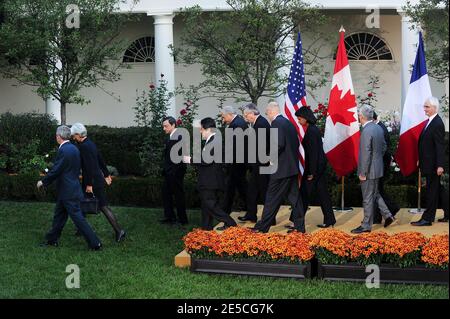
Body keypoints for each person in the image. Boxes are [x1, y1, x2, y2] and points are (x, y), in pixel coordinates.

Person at [37, 125, 102, 250]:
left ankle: (95, 244)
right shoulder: (74, 148)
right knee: (59, 216)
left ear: (58, 136)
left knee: (78, 218)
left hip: (68, 191)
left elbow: (56, 170)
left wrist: (43, 182)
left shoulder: (64, 150)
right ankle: (52, 240)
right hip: (70, 189)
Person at [251, 102, 305, 233]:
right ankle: (300, 228)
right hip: (291, 167)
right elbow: (295, 143)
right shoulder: (288, 123)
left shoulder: (276, 123)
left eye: (267, 113)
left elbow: (279, 144)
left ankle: (262, 227)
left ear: (270, 112)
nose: (267, 116)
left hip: (280, 169)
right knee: (295, 199)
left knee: (271, 198)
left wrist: (269, 158)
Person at [71, 123, 126, 242]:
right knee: (81, 202)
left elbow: (89, 166)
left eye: (73, 135)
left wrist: (89, 185)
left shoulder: (84, 146)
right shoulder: (89, 143)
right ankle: (81, 229)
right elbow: (100, 158)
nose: (73, 138)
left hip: (93, 182)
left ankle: (119, 231)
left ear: (78, 134)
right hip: (95, 180)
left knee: (103, 206)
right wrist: (106, 174)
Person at [185, 117, 238, 231]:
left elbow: (206, 160)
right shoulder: (213, 140)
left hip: (210, 181)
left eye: (201, 129)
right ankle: (206, 229)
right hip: (210, 179)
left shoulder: (214, 141)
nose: (200, 131)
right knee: (206, 206)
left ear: (208, 129)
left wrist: (190, 160)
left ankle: (231, 223)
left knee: (211, 206)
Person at [351, 105, 394, 234]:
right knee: (375, 194)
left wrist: (363, 172)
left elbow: (365, 153)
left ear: (362, 116)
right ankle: (388, 215)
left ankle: (366, 226)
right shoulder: (378, 128)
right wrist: (377, 160)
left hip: (368, 170)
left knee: (367, 197)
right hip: (377, 168)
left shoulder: (366, 130)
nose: (358, 116)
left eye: (359, 115)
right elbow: (384, 147)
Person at [295, 106, 336, 228]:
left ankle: (296, 221)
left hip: (314, 169)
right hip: (318, 167)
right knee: (322, 194)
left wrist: (312, 172)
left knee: (304, 194)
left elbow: (313, 153)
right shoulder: (313, 129)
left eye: (300, 118)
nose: (298, 121)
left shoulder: (311, 131)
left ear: (306, 118)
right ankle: (329, 219)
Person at [411, 97, 449, 226]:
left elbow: (440, 146)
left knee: (432, 191)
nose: (424, 109)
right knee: (438, 189)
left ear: (434, 108)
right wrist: (420, 159)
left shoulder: (437, 123)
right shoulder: (430, 122)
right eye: (424, 106)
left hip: (433, 165)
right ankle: (448, 214)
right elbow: (425, 144)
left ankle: (427, 218)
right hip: (428, 162)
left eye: (427, 107)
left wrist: (440, 165)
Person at [238, 103, 271, 223]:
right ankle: (251, 214)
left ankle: (269, 218)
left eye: (246, 115)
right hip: (258, 163)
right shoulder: (258, 123)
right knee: (252, 190)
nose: (245, 118)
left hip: (261, 163)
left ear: (252, 113)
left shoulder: (261, 124)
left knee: (263, 191)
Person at [159, 116, 188, 225]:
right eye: (163, 126)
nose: (164, 128)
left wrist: (172, 172)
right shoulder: (170, 137)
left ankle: (182, 220)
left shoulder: (179, 137)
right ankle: (169, 216)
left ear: (173, 125)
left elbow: (180, 157)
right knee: (166, 194)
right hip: (169, 172)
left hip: (176, 172)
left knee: (178, 195)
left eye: (166, 126)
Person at [220, 105, 249, 215]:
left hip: (236, 162)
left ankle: (225, 213)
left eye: (223, 117)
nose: (223, 120)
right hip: (240, 161)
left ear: (229, 114)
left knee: (231, 188)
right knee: (241, 187)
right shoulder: (240, 122)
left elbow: (234, 146)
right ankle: (249, 209)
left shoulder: (236, 125)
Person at [372, 111, 399, 224]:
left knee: (377, 190)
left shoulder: (379, 129)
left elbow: (381, 149)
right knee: (378, 190)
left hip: (380, 164)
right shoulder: (379, 127)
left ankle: (391, 208)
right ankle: (377, 217)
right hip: (381, 163)